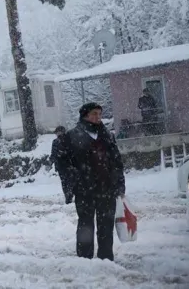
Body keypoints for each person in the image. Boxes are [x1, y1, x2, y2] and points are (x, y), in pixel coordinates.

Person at [60, 102, 126, 261]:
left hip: (106, 188)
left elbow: (117, 161)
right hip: (84, 189)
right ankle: (84, 258)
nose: (98, 117)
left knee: (106, 225)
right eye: (94, 114)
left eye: (99, 114)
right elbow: (63, 164)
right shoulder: (73, 136)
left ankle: (106, 257)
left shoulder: (107, 135)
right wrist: (73, 182)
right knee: (85, 225)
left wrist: (119, 184)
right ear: (85, 115)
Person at [50, 125, 72, 204]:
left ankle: (68, 195)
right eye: (57, 132)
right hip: (64, 165)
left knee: (67, 181)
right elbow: (53, 153)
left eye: (58, 132)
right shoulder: (58, 141)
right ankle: (68, 195)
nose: (57, 134)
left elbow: (54, 153)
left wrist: (52, 160)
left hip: (64, 165)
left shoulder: (62, 141)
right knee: (66, 181)